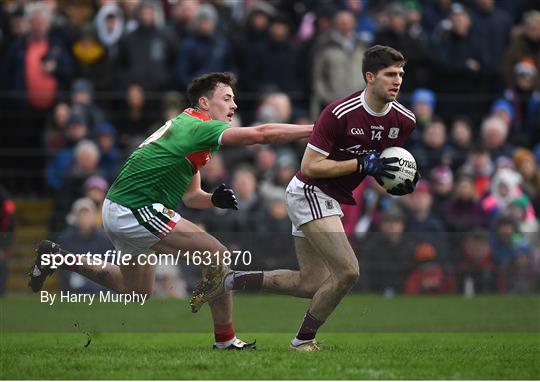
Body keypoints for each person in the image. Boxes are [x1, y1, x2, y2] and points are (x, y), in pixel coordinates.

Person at [29, 72, 312, 350]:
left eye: (234, 99)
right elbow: (261, 134)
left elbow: (191, 197)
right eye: (226, 98)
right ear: (204, 103)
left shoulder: (187, 128)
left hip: (121, 207)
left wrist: (214, 200)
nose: (234, 105)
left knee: (137, 292)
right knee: (218, 255)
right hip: (135, 207)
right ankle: (225, 339)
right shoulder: (199, 126)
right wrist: (316, 130)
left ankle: (58, 257)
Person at [194, 46, 419, 351]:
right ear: (369, 77)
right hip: (310, 190)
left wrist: (399, 183)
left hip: (332, 197)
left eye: (401, 74)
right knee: (348, 271)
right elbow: (310, 166)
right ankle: (303, 341)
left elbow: (381, 168)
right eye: (390, 74)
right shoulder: (338, 113)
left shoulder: (404, 120)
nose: (398, 80)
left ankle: (228, 281)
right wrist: (361, 165)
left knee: (310, 283)